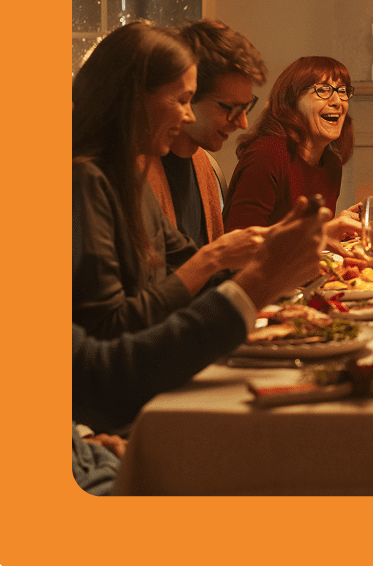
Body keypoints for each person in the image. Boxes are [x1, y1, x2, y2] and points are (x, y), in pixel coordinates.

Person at [74, 195, 331, 494]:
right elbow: (103, 380)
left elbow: (86, 378)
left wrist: (83, 442)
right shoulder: (86, 184)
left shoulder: (135, 182)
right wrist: (257, 282)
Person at [73, 21, 272, 339]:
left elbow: (196, 274)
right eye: (181, 100)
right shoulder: (83, 180)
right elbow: (107, 329)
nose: (189, 115)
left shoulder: (126, 173)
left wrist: (291, 251)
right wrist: (214, 257)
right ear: (132, 97)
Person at [143, 19, 268, 248]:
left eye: (246, 107)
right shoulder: (138, 171)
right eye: (230, 108)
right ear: (189, 95)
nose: (243, 122)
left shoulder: (205, 166)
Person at [224, 56, 356, 230]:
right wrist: (327, 232)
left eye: (342, 91)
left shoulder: (331, 164)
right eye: (323, 90)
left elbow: (304, 240)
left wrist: (336, 227)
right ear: (291, 101)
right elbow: (241, 245)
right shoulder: (267, 154)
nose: (337, 101)